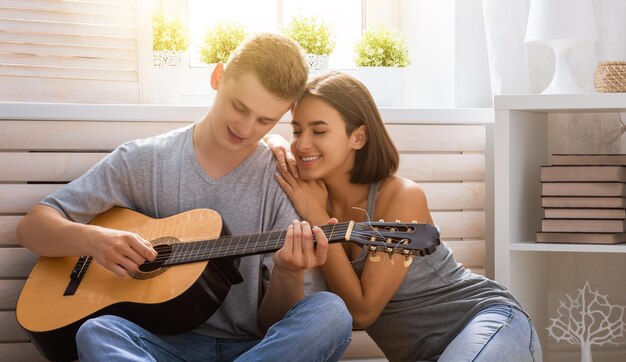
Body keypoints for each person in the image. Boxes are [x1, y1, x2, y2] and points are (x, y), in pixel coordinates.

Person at [16, 34, 352, 362]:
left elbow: (274, 326)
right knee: (96, 331)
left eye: (265, 120)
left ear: (286, 112)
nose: (246, 128)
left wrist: (289, 273)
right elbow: (34, 227)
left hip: (252, 349)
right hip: (155, 346)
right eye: (239, 106)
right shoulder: (145, 160)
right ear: (218, 77)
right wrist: (95, 240)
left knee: (331, 313)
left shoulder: (285, 180)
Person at [267, 71, 543, 362]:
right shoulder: (303, 195)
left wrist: (318, 216)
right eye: (297, 131)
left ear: (358, 137)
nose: (302, 144)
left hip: (483, 323)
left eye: (319, 131)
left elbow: (362, 312)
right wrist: (274, 141)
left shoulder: (401, 197)